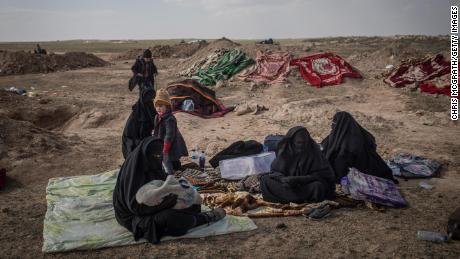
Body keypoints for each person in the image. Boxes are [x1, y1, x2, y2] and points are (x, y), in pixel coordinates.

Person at [113, 136, 226, 244]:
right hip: (136, 215)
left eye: (160, 155)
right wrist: (168, 202)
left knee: (193, 203)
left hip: (156, 204)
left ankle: (189, 217)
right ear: (146, 154)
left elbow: (164, 182)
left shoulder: (152, 164)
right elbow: (137, 207)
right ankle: (205, 218)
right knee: (170, 218)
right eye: (155, 156)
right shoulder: (133, 173)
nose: (158, 158)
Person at [259, 126, 336, 204]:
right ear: (292, 142)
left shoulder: (315, 153)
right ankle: (292, 198)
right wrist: (282, 179)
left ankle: (291, 198)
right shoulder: (285, 152)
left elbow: (323, 176)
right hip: (288, 185)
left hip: (306, 185)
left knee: (318, 186)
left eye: (304, 143)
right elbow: (275, 171)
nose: (301, 145)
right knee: (265, 180)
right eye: (298, 143)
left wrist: (299, 179)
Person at [321, 111, 397, 183]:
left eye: (335, 123)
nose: (332, 125)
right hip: (364, 167)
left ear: (340, 124)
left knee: (338, 159)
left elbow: (344, 159)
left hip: (360, 170)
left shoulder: (352, 141)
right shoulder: (342, 134)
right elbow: (324, 146)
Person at [153, 89, 188, 174]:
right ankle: (174, 170)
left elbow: (169, 135)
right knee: (167, 159)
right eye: (157, 106)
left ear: (167, 106)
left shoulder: (170, 119)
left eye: (161, 106)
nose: (158, 108)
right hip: (162, 141)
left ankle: (171, 175)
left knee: (168, 159)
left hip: (171, 142)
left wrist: (165, 147)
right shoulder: (157, 117)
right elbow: (156, 130)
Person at [121, 87, 157, 159]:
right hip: (132, 143)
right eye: (149, 101)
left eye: (153, 100)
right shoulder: (136, 115)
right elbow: (130, 136)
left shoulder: (154, 111)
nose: (151, 103)